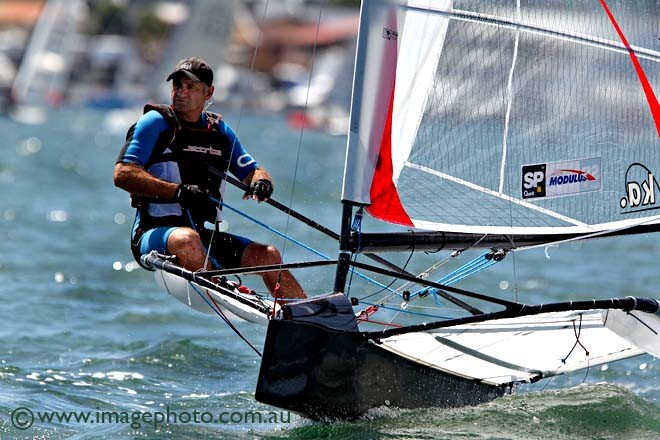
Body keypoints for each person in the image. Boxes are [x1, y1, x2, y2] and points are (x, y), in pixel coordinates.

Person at [114, 56, 305, 299]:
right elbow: (122, 174)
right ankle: (223, 289)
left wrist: (262, 182)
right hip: (154, 233)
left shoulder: (220, 133)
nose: (181, 92)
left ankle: (309, 318)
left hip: (206, 237)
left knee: (269, 255)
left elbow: (253, 170)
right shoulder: (156, 123)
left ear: (209, 92)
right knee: (188, 239)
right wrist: (178, 191)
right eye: (177, 86)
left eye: (190, 87)